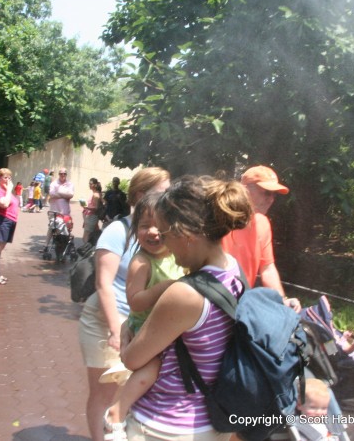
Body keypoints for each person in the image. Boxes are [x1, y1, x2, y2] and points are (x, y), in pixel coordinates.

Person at [117, 175, 252, 441]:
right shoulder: (233, 268)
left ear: (186, 234)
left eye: (166, 233)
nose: (164, 243)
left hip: (166, 425)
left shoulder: (185, 294)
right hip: (213, 420)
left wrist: (124, 335)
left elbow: (132, 359)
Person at [78, 167, 171, 441]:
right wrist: (115, 329)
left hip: (143, 324)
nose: (169, 197)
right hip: (107, 319)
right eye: (163, 192)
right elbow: (103, 284)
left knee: (139, 387)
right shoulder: (117, 231)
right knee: (105, 392)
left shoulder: (164, 231)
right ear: (141, 195)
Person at [103, 192, 185, 438]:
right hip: (146, 329)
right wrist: (164, 288)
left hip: (169, 328)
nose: (153, 231)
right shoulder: (142, 262)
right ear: (134, 229)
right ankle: (116, 413)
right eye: (144, 225)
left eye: (161, 226)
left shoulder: (176, 256)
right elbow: (135, 302)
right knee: (149, 369)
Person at [221, 165, 299, 310]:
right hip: (213, 301)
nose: (271, 199)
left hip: (241, 304)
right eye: (266, 193)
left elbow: (268, 269)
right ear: (244, 189)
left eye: (274, 195)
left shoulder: (263, 223)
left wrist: (282, 301)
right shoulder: (222, 218)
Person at [0, 168, 19, 285]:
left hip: (10, 221)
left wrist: (8, 191)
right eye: (4, 177)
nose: (7, 180)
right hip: (1, 221)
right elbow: (4, 204)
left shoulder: (7, 191)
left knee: (0, 249)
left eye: (9, 177)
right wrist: (9, 190)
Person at [82, 178, 103, 244]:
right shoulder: (95, 193)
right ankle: (90, 250)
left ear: (95, 185)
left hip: (92, 217)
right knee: (91, 235)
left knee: (86, 237)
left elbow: (96, 208)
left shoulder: (95, 195)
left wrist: (86, 207)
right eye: (89, 184)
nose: (90, 185)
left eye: (91, 184)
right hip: (90, 217)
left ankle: (86, 251)